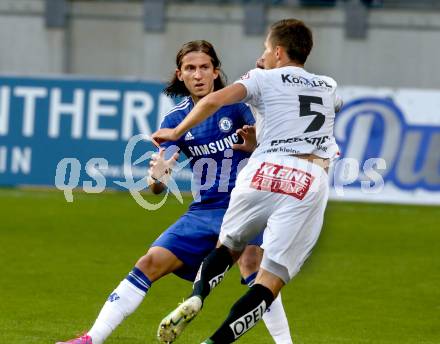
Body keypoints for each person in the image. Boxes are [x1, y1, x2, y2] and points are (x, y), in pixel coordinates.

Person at [56, 40, 292, 344]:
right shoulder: (174, 120)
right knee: (149, 262)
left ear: (216, 71)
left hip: (246, 205)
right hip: (205, 210)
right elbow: (158, 186)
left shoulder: (237, 106)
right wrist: (158, 177)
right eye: (190, 69)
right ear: (179, 74)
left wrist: (255, 144)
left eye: (204, 67)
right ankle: (92, 338)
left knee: (253, 265)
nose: (198, 75)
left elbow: (273, 144)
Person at [153, 19, 343, 344]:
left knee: (227, 248)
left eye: (266, 49)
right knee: (268, 282)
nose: (262, 55)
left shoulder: (262, 78)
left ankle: (198, 294)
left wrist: (175, 132)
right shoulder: (328, 86)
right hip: (309, 178)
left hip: (264, 169)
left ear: (278, 51)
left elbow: (213, 101)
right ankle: (216, 341)